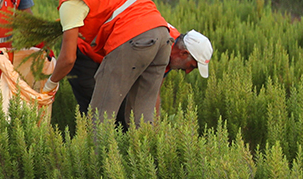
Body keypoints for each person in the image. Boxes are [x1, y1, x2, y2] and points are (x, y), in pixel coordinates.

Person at [23, 0, 174, 127]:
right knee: (141, 119)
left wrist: (50, 85)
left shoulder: (71, 2)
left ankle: (99, 155)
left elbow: (68, 59)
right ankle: (149, 153)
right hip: (162, 36)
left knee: (100, 118)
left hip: (131, 41)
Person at [63, 24, 212, 117]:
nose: (187, 72)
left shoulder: (172, 50)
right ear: (184, 53)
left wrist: (154, 128)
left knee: (119, 115)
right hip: (85, 51)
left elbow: (153, 92)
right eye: (192, 66)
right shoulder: (158, 44)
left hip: (111, 59)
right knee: (96, 111)